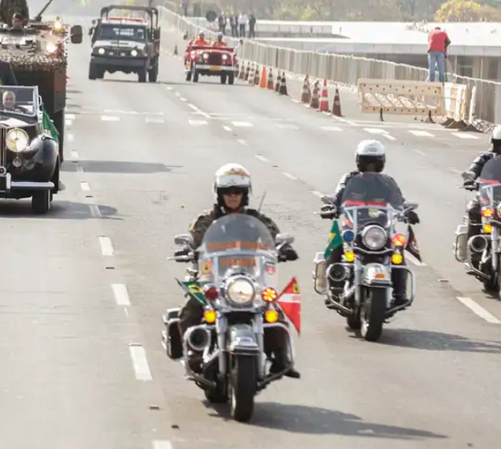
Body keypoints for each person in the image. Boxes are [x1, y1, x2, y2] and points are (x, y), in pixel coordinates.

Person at [177, 163, 300, 378]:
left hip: (250, 277)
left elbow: (273, 237)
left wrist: (283, 248)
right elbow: (195, 239)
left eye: (238, 192)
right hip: (212, 276)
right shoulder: (206, 220)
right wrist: (189, 249)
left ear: (245, 194)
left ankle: (281, 357)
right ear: (219, 194)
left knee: (272, 310)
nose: (232, 196)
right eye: (227, 192)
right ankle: (194, 352)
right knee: (192, 308)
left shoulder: (256, 220)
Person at [319, 140, 417, 305]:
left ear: (381, 162)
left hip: (380, 229)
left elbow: (398, 201)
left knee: (397, 252)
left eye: (375, 161)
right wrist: (332, 206)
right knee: (335, 242)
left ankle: (400, 293)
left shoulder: (387, 182)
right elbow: (338, 196)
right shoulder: (350, 179)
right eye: (367, 160)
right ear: (359, 161)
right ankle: (334, 288)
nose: (371, 165)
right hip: (353, 227)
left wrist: (407, 211)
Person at [461, 127, 501, 269]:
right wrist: (470, 177)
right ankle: (475, 249)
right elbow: (474, 168)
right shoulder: (486, 157)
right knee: (473, 209)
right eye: (499, 143)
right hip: (488, 197)